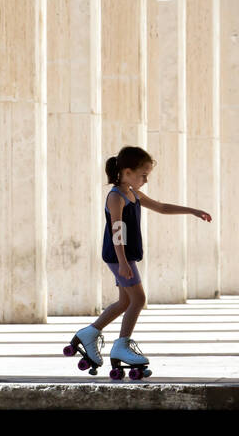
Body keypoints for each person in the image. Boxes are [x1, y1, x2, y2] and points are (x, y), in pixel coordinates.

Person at [68, 146, 212, 378]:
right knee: (139, 299)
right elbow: (117, 232)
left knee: (125, 302)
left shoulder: (132, 193)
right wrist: (123, 263)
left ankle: (90, 332)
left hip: (125, 256)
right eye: (143, 174)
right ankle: (122, 346)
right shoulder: (116, 196)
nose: (146, 179)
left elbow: (162, 208)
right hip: (119, 256)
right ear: (127, 172)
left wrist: (193, 210)